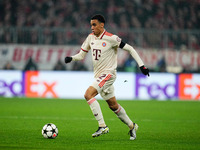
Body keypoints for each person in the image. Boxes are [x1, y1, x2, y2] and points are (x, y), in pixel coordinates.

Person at [65, 14, 149, 140]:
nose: (92, 27)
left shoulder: (112, 38)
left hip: (109, 74)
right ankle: (132, 126)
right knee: (113, 106)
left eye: (94, 24)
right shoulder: (90, 38)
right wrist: (72, 58)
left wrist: (142, 66)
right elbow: (82, 55)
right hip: (99, 76)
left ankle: (102, 125)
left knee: (88, 95)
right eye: (91, 25)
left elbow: (130, 49)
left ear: (101, 25)